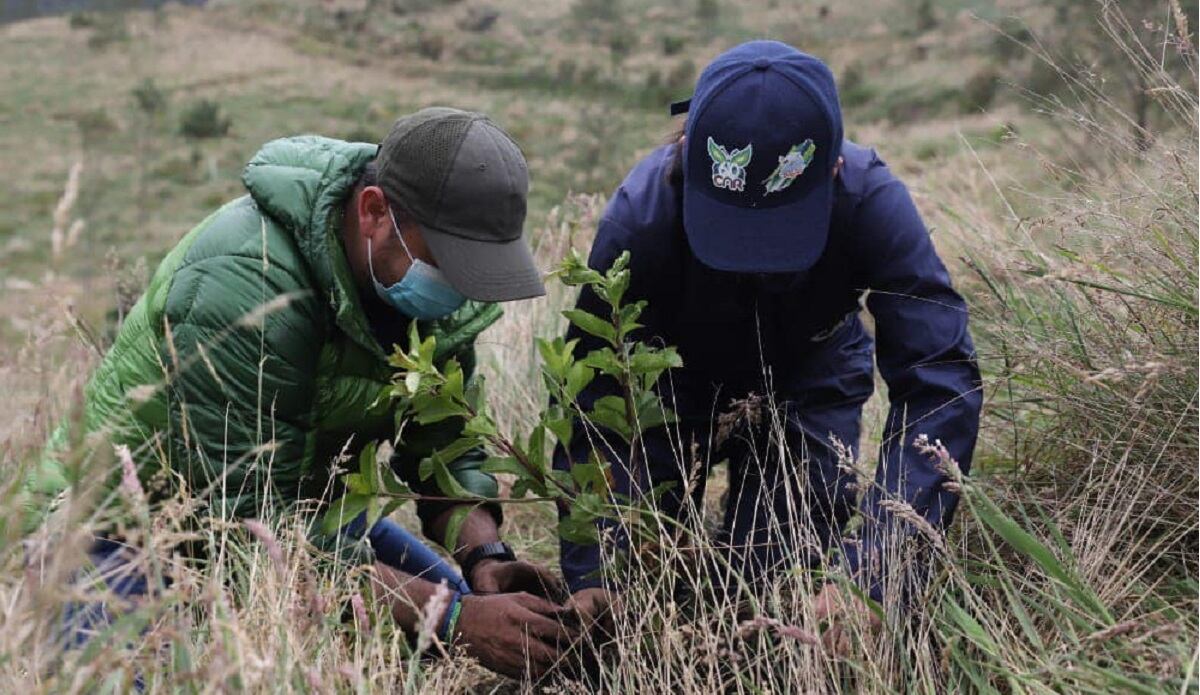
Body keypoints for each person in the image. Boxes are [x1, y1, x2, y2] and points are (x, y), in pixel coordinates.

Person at [27, 107, 575, 680]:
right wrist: (453, 616)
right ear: (373, 212)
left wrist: (483, 558)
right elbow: (242, 533)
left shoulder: (431, 300)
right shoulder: (241, 285)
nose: (460, 289)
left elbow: (442, 448)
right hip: (116, 530)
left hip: (296, 511)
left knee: (484, 631)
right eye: (447, 263)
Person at [556, 42, 983, 644]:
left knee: (777, 590)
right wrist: (594, 565)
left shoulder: (873, 205)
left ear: (833, 166)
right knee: (634, 594)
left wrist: (880, 566)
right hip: (669, 382)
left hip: (812, 372)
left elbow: (937, 377)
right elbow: (597, 395)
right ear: (689, 157)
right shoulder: (641, 222)